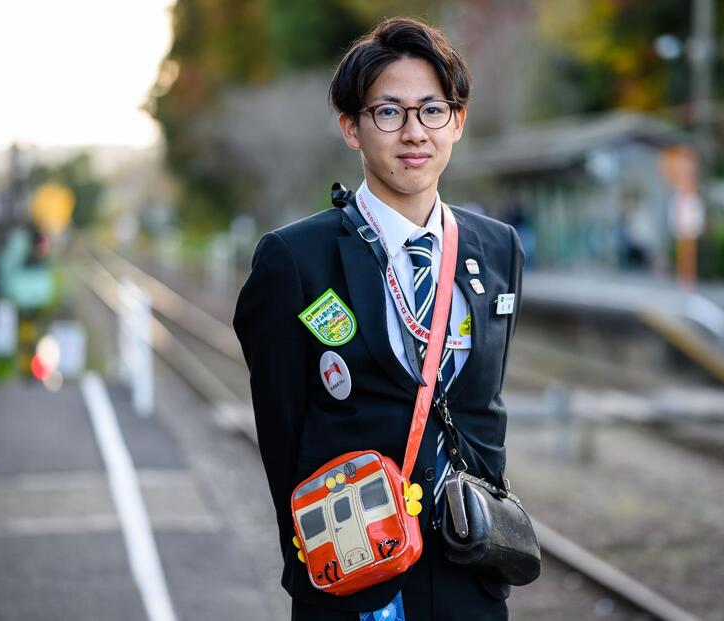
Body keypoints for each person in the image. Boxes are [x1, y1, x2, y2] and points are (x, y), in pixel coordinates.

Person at [234, 16, 524, 621]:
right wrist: (312, 569)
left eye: (432, 110)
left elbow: (481, 407)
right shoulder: (294, 259)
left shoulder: (497, 249)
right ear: (352, 128)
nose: (413, 131)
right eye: (388, 112)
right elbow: (281, 434)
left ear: (458, 122)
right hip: (354, 579)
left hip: (471, 572)